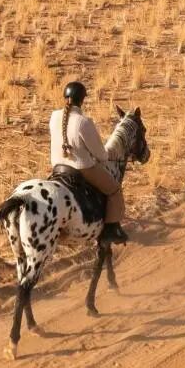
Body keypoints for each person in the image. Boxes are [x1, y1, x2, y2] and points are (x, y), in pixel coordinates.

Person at [50, 81, 128, 245]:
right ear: (82, 100)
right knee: (114, 190)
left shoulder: (54, 116)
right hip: (82, 169)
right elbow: (100, 155)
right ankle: (111, 230)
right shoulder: (84, 122)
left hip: (58, 168)